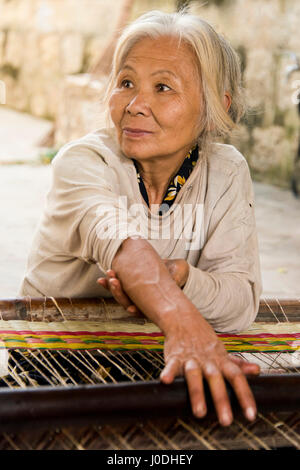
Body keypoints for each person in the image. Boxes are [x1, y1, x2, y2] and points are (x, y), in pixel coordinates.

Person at [18, 10, 262, 427]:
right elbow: (122, 244)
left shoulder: (226, 171)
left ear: (215, 104)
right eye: (126, 83)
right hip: (58, 367)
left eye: (163, 87)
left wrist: (183, 280)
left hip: (161, 366)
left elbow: (241, 302)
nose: (135, 105)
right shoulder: (84, 162)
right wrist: (184, 320)